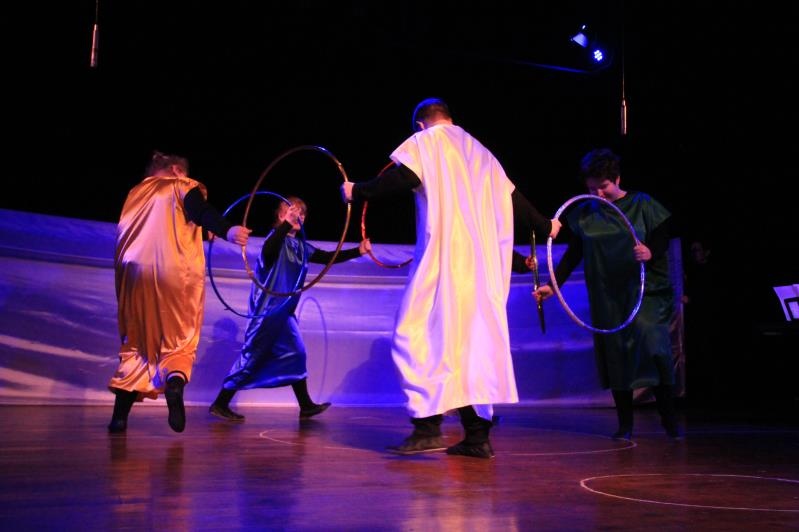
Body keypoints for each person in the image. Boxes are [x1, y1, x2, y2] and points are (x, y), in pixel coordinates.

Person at [340, 97, 561, 458]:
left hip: (444, 260)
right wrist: (545, 225)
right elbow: (515, 199)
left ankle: (427, 427)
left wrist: (357, 191)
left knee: (414, 335)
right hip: (481, 270)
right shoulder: (482, 153)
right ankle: (477, 436)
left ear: (421, 125)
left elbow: (405, 177)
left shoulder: (427, 141)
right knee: (468, 347)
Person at [534, 148, 681, 440]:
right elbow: (574, 253)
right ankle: (625, 425)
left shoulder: (642, 204)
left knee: (654, 349)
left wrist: (650, 252)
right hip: (607, 295)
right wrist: (554, 285)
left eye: (603, 186)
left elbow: (662, 236)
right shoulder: (587, 213)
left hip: (645, 292)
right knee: (617, 356)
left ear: (617, 179)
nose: (598, 193)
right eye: (592, 188)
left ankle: (669, 419)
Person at [107, 151, 251, 434]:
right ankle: (174, 384)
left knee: (136, 344)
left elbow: (165, 226)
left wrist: (200, 231)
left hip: (133, 274)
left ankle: (119, 419)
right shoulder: (180, 185)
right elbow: (200, 210)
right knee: (179, 342)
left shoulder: (135, 192)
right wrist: (227, 230)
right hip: (171, 273)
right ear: (175, 170)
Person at [209, 196, 372, 421]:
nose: (298, 216)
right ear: (281, 215)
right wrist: (286, 224)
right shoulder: (273, 240)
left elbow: (326, 257)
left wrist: (358, 251)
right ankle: (220, 403)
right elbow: (270, 251)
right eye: (293, 211)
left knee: (296, 352)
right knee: (253, 357)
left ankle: (306, 405)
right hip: (267, 312)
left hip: (285, 313)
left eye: (302, 213)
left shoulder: (301, 247)